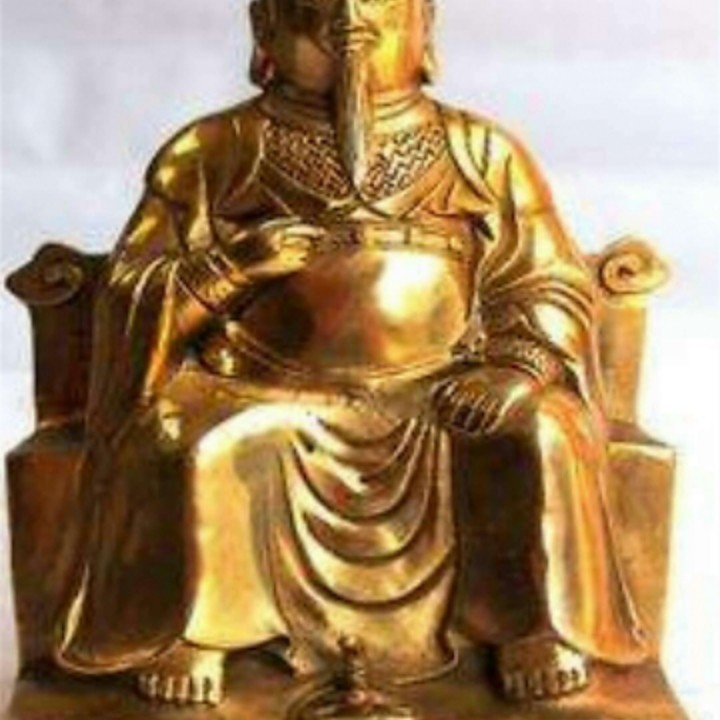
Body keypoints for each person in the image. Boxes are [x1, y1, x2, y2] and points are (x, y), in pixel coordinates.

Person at [54, 0, 647, 707]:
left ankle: (535, 625)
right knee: (190, 442)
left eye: (381, 11)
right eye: (317, 12)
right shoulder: (214, 151)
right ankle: (190, 629)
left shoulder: (481, 151)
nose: (348, 25)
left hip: (440, 383)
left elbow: (547, 280)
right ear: (266, 30)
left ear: (424, 28)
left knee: (540, 431)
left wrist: (518, 368)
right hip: (260, 387)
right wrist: (234, 267)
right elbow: (133, 287)